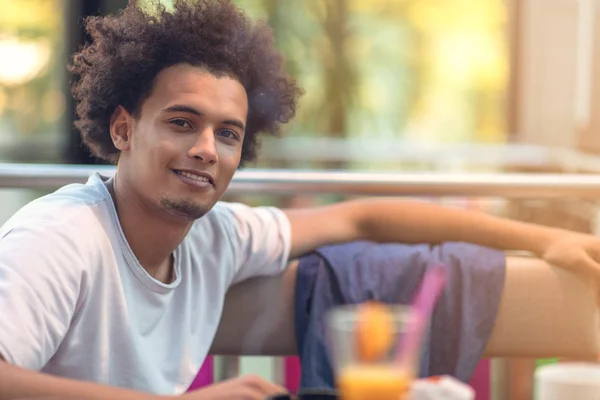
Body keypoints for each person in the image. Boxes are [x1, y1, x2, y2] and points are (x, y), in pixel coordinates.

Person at [0, 1, 599, 399]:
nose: (207, 149)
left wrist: (546, 239)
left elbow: (365, 215)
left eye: (227, 133)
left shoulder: (219, 238)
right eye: (182, 122)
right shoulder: (61, 235)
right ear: (125, 129)